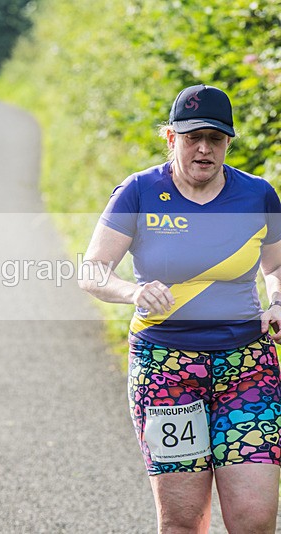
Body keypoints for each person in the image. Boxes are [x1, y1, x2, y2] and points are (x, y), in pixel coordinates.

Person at [80, 84, 281, 533]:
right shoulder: (138, 192)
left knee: (254, 518)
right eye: (192, 138)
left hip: (246, 366)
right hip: (167, 370)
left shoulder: (258, 196)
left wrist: (278, 300)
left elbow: (276, 265)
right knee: (184, 521)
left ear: (230, 141)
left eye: (215, 138)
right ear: (171, 138)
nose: (204, 149)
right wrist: (132, 293)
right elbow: (92, 271)